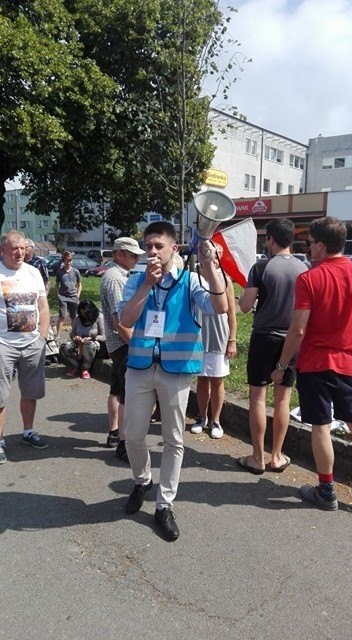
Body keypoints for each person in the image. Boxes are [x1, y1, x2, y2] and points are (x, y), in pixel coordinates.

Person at [119, 221, 228, 541]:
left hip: (175, 372)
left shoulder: (191, 281)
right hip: (139, 368)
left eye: (158, 246)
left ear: (173, 249)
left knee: (173, 440)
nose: (152, 251)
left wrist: (210, 264)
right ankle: (142, 481)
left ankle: (164, 504)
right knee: (134, 435)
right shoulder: (136, 279)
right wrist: (144, 288)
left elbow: (220, 305)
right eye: (148, 246)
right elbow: (125, 319)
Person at [271, 217, 352, 510]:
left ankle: (326, 490)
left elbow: (297, 329)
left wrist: (282, 366)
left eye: (309, 243)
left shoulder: (309, 279)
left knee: (321, 426)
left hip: (316, 363)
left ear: (321, 245)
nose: (307, 249)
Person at [237, 218, 307, 474]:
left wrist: (241, 298)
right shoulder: (304, 267)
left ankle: (257, 457)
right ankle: (277, 456)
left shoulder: (261, 266)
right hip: (292, 338)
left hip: (264, 336)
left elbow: (245, 306)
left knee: (257, 396)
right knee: (283, 399)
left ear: (271, 240)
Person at [0, 231, 50, 465]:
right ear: (3, 250)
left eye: (22, 248)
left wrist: (41, 338)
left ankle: (28, 432)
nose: (19, 252)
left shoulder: (33, 272)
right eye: (14, 248)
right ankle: (0, 441)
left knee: (31, 393)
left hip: (32, 344)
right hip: (3, 345)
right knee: (0, 397)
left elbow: (43, 307)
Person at [100, 237, 145, 459]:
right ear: (119, 254)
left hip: (116, 344)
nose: (137, 259)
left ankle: (114, 433)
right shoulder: (116, 279)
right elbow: (121, 320)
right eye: (133, 255)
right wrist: (136, 345)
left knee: (116, 390)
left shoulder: (116, 276)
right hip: (124, 343)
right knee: (128, 395)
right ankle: (124, 444)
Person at [190, 244, 237, 439]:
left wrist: (232, 340)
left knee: (217, 380)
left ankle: (216, 420)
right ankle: (202, 417)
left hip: (219, 336)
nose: (212, 260)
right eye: (208, 255)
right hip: (199, 337)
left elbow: (232, 313)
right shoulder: (194, 279)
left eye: (216, 257)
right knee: (201, 379)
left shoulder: (224, 279)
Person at [60, 300, 107, 379]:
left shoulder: (99, 317)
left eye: (86, 313)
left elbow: (104, 336)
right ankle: (77, 366)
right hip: (79, 343)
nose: (84, 315)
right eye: (81, 313)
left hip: (94, 344)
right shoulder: (77, 318)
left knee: (89, 345)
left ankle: (85, 368)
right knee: (64, 347)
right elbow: (72, 333)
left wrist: (91, 338)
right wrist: (75, 337)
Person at [55, 251, 82, 338]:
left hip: (73, 296)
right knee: (62, 316)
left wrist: (78, 294)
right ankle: (58, 335)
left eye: (70, 260)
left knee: (73, 316)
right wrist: (58, 294)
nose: (68, 262)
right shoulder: (60, 272)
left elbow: (79, 284)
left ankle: (74, 333)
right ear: (63, 261)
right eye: (66, 261)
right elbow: (56, 284)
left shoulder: (75, 271)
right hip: (63, 296)